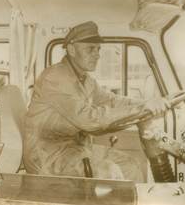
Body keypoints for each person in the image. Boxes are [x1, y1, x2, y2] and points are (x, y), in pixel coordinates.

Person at [23, 21, 170, 181]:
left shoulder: (86, 80)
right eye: (90, 49)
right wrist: (139, 109)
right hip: (47, 155)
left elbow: (112, 100)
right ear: (72, 50)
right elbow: (89, 120)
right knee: (108, 171)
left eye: (98, 49)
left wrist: (145, 104)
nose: (98, 54)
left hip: (74, 148)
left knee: (130, 165)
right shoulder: (55, 77)